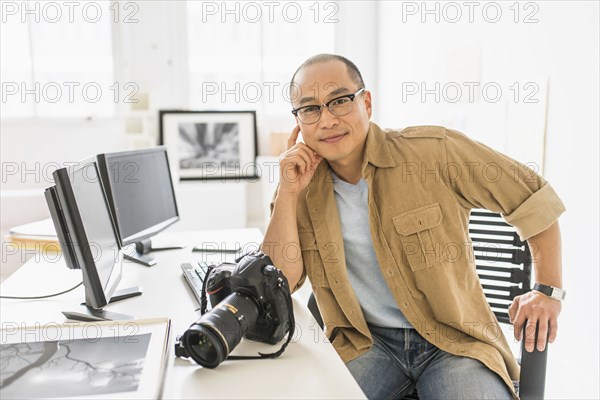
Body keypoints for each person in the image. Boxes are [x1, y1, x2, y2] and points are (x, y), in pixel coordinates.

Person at [260, 54, 565, 399]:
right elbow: (278, 280)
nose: (327, 119)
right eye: (310, 109)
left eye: (340, 101)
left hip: (455, 344)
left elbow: (533, 198)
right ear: (298, 122)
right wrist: (287, 194)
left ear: (367, 103)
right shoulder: (299, 183)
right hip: (365, 345)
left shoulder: (433, 152)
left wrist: (547, 290)